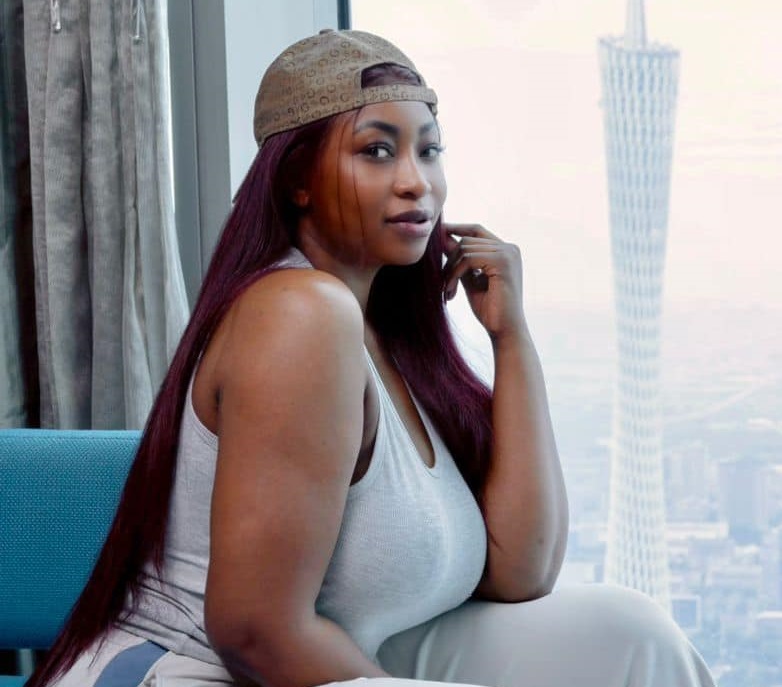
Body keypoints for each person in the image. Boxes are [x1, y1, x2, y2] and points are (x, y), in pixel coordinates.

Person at [27, 30, 716, 687]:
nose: (417, 182)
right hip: (186, 672)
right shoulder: (299, 313)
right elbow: (254, 631)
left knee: (633, 636)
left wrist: (512, 338)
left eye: (429, 150)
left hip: (330, 661)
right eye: (378, 151)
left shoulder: (384, 336)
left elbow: (522, 572)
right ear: (297, 179)